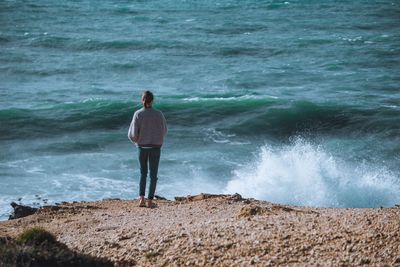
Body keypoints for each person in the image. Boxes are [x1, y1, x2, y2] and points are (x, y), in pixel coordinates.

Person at [128, 91, 167, 208]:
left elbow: (133, 134)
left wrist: (137, 141)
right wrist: (157, 139)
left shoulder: (138, 114)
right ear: (152, 101)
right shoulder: (159, 114)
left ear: (142, 100)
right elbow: (164, 131)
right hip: (155, 147)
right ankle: (150, 201)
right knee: (153, 175)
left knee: (143, 173)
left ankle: (141, 199)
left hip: (142, 148)